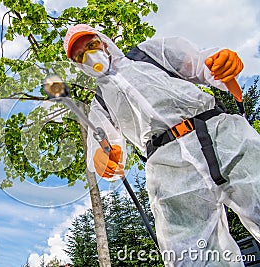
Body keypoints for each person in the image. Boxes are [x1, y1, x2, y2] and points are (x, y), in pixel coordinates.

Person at [63, 24, 260, 266]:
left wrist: (220, 62)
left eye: (91, 45)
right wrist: (102, 159)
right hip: (168, 168)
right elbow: (103, 143)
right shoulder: (100, 104)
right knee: (192, 255)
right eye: (80, 56)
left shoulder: (149, 53)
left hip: (221, 133)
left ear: (104, 42)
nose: (89, 56)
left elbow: (200, 64)